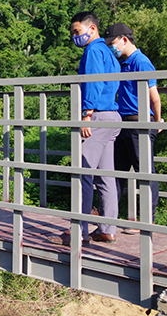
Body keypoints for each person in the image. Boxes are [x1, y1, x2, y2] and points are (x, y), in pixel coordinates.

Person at [50, 12, 121, 246]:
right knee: (106, 176)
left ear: (92, 29)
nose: (74, 37)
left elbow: (93, 81)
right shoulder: (109, 53)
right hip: (112, 115)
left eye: (77, 31)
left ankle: (79, 231)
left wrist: (87, 114)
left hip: (97, 116)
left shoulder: (93, 51)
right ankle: (107, 229)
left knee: (83, 174)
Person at [104, 23, 162, 223]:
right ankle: (109, 220)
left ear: (124, 40)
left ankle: (148, 219)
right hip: (123, 123)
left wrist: (157, 120)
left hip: (139, 122)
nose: (112, 48)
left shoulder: (141, 62)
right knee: (116, 172)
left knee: (145, 173)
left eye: (112, 43)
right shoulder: (123, 63)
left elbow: (154, 96)